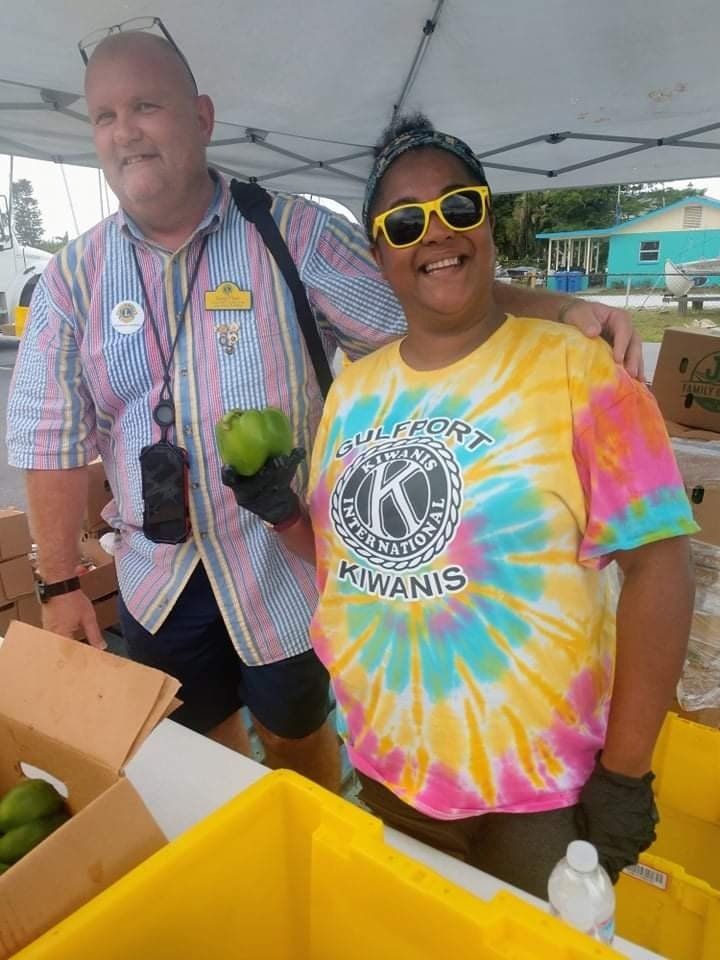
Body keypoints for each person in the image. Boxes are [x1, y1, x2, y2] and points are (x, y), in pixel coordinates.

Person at [6, 27, 640, 792]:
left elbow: (433, 299)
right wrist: (60, 584)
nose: (124, 131)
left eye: (146, 105)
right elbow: (50, 440)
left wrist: (560, 305)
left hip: (286, 569)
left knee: (303, 753)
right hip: (156, 581)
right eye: (104, 116)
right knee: (201, 769)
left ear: (202, 116)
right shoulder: (73, 279)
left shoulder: (289, 233)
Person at [227, 113, 697, 897]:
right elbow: (353, 564)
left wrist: (626, 774)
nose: (436, 233)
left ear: (488, 217)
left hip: (542, 797)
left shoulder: (580, 370)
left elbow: (661, 570)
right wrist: (284, 515)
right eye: (405, 221)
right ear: (379, 254)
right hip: (389, 775)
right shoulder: (353, 392)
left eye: (459, 207)